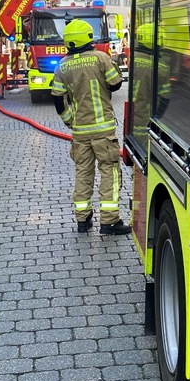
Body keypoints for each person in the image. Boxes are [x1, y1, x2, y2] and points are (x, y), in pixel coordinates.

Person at [52, 18, 131, 236]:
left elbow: (58, 99)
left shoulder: (62, 66)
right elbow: (115, 83)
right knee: (109, 172)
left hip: (80, 132)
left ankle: (83, 219)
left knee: (83, 173)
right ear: (88, 37)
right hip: (103, 131)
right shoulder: (100, 58)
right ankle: (109, 221)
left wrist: (70, 121)